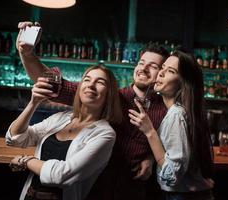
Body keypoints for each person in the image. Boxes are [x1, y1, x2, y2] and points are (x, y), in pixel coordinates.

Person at [16, 21, 169, 200]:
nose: (143, 68)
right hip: (97, 187)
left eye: (153, 66)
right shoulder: (110, 97)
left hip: (132, 189)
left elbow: (169, 147)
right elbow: (53, 85)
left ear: (162, 72)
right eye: (141, 62)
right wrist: (27, 53)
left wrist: (151, 157)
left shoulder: (166, 111)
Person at [6, 65, 122, 200]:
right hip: (29, 195)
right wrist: (33, 103)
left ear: (109, 94)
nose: (91, 85)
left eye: (100, 82)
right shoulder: (62, 118)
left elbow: (61, 175)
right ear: (79, 88)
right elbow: (15, 139)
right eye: (87, 80)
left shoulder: (105, 133)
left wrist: (25, 160)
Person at [128, 50, 214, 200]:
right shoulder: (182, 112)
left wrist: (150, 132)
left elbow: (171, 176)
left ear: (183, 83)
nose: (161, 73)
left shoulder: (177, 115)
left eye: (171, 71)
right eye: (163, 68)